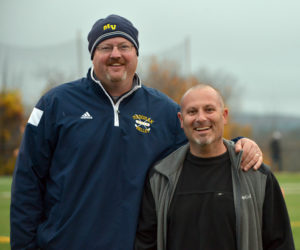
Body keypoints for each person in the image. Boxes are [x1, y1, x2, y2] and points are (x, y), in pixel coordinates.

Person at [10, 15, 262, 250]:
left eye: (124, 47)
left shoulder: (163, 111)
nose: (115, 55)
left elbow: (204, 146)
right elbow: (27, 182)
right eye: (105, 48)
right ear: (93, 55)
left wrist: (240, 144)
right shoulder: (55, 104)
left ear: (136, 53)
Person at [135, 84, 295, 250]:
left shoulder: (257, 175)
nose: (201, 118)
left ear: (224, 115)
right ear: (181, 120)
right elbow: (146, 244)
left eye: (209, 109)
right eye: (192, 112)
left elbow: (280, 243)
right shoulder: (160, 177)